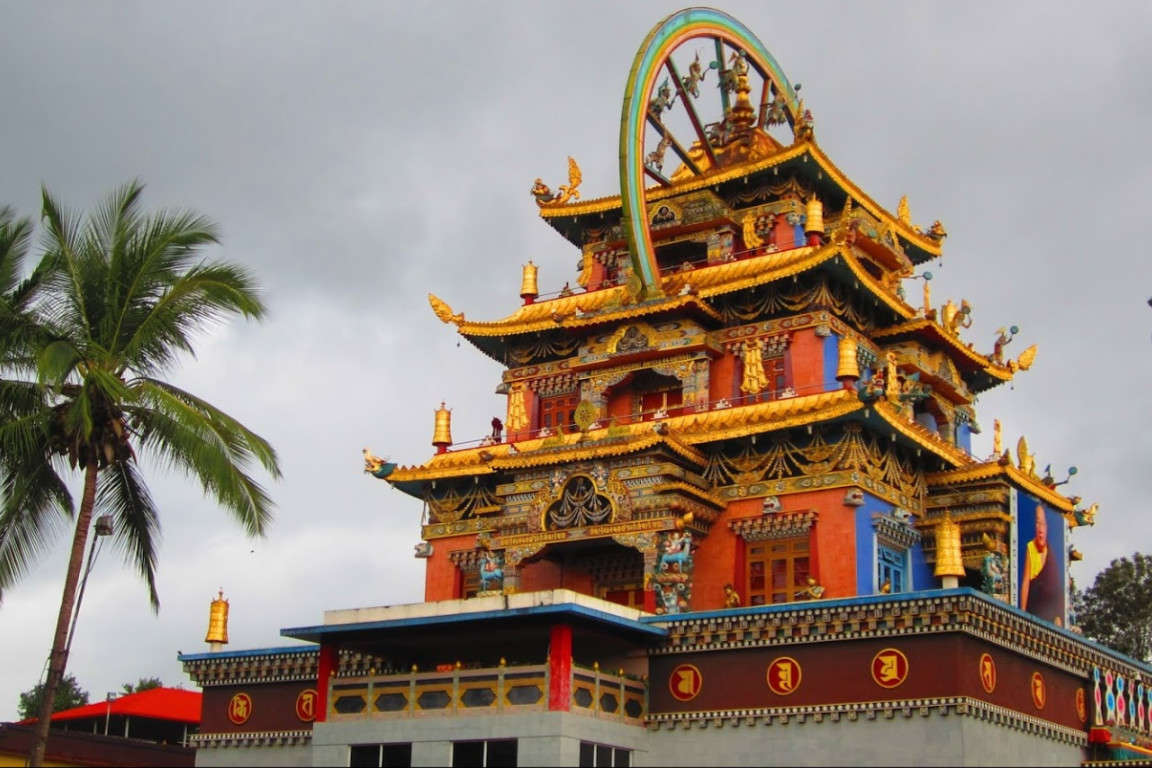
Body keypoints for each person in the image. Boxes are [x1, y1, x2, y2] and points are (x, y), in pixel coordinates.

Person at [1019, 503, 1061, 620]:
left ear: (1047, 527)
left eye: (1042, 524)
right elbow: (1026, 581)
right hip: (1034, 606)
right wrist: (1022, 610)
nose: (1040, 528)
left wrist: (1058, 616)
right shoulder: (1030, 547)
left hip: (1049, 610)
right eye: (1037, 523)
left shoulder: (1051, 553)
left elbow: (1056, 588)